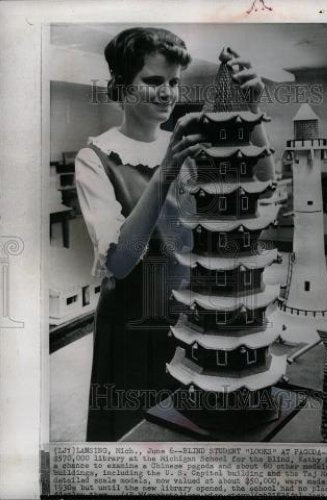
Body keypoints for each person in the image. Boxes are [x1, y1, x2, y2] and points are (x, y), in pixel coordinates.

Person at [75, 26, 274, 442]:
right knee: (139, 438)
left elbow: (260, 188)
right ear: (120, 87)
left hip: (196, 316)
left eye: (173, 82)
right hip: (135, 323)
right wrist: (166, 172)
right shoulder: (94, 158)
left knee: (195, 435)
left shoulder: (184, 144)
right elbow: (119, 260)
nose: (167, 92)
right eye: (152, 81)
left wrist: (253, 115)